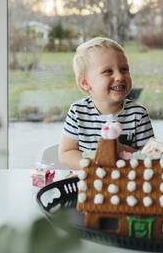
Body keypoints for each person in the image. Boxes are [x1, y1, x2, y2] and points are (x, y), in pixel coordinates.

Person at [59, 37, 154, 170]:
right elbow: (66, 153)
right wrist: (93, 167)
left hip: (127, 181)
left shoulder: (138, 114)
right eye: (108, 71)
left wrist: (122, 150)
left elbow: (149, 158)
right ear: (85, 83)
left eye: (124, 69)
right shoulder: (78, 111)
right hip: (90, 180)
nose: (120, 77)